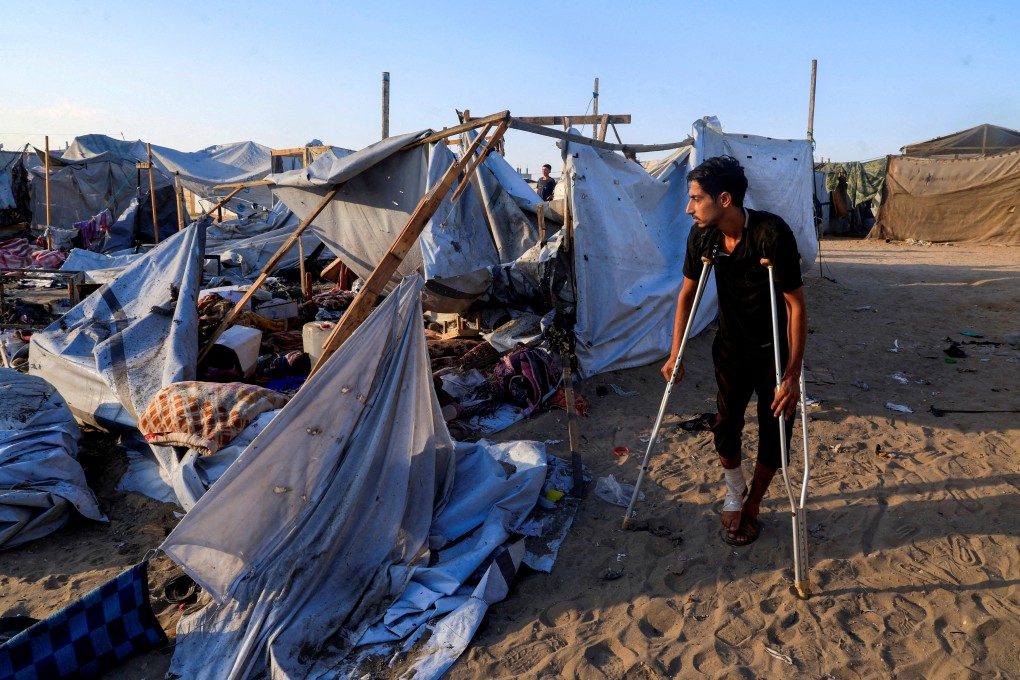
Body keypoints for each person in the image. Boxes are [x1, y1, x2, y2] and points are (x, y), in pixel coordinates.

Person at [661, 155, 807, 547]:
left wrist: (792, 373)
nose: (689, 208)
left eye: (696, 198)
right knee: (725, 425)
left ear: (724, 199)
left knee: (775, 430)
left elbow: (795, 305)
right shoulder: (702, 237)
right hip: (729, 347)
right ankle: (734, 489)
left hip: (773, 351)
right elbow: (687, 294)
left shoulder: (771, 233)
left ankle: (753, 506)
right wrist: (675, 354)